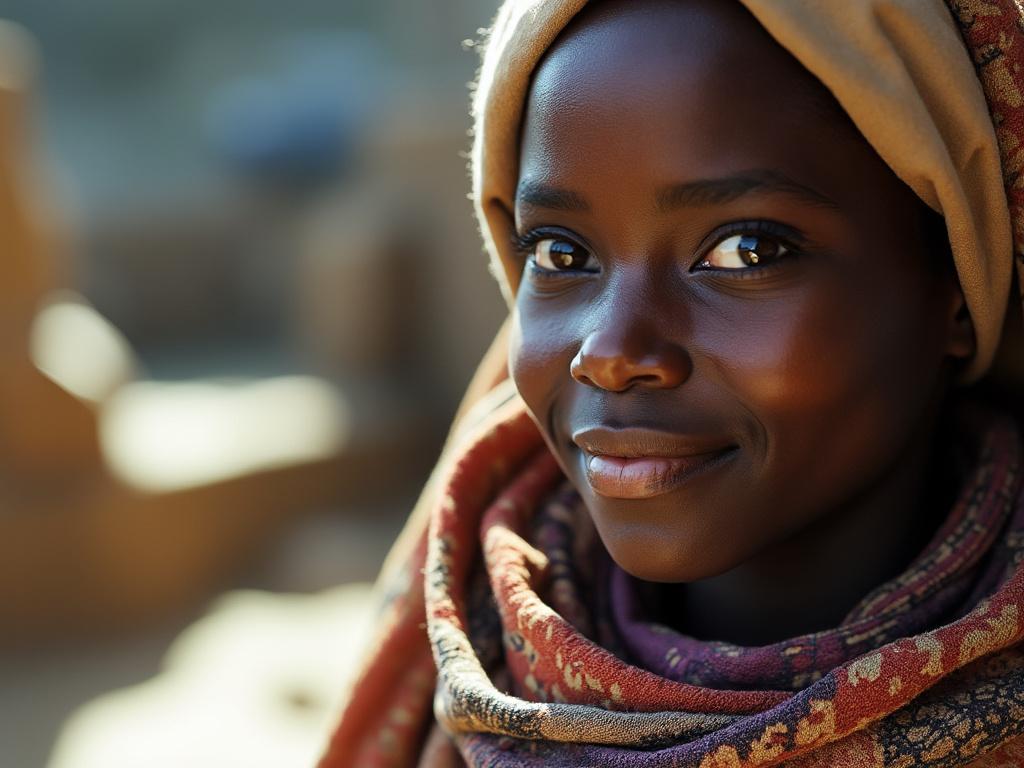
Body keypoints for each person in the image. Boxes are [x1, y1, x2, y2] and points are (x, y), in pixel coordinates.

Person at [319, 0, 1024, 765]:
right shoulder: (468, 658)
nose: (612, 353)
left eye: (747, 251)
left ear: (957, 285)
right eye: (559, 254)